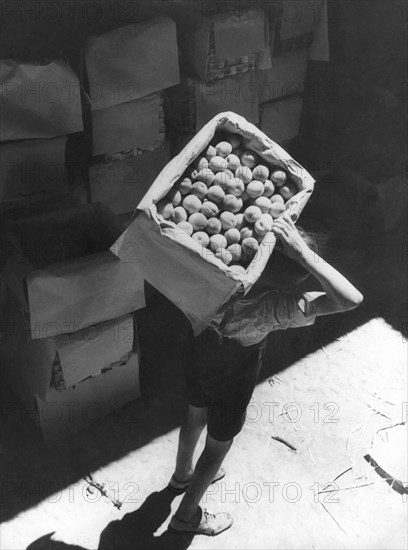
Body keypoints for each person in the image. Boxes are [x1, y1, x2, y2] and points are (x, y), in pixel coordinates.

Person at [167, 214, 363, 537]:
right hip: (234, 375)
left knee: (194, 412)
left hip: (200, 354)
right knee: (217, 447)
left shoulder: (217, 270)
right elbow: (351, 299)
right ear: (293, 280)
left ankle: (181, 474)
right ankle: (186, 515)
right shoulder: (277, 307)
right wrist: (304, 254)